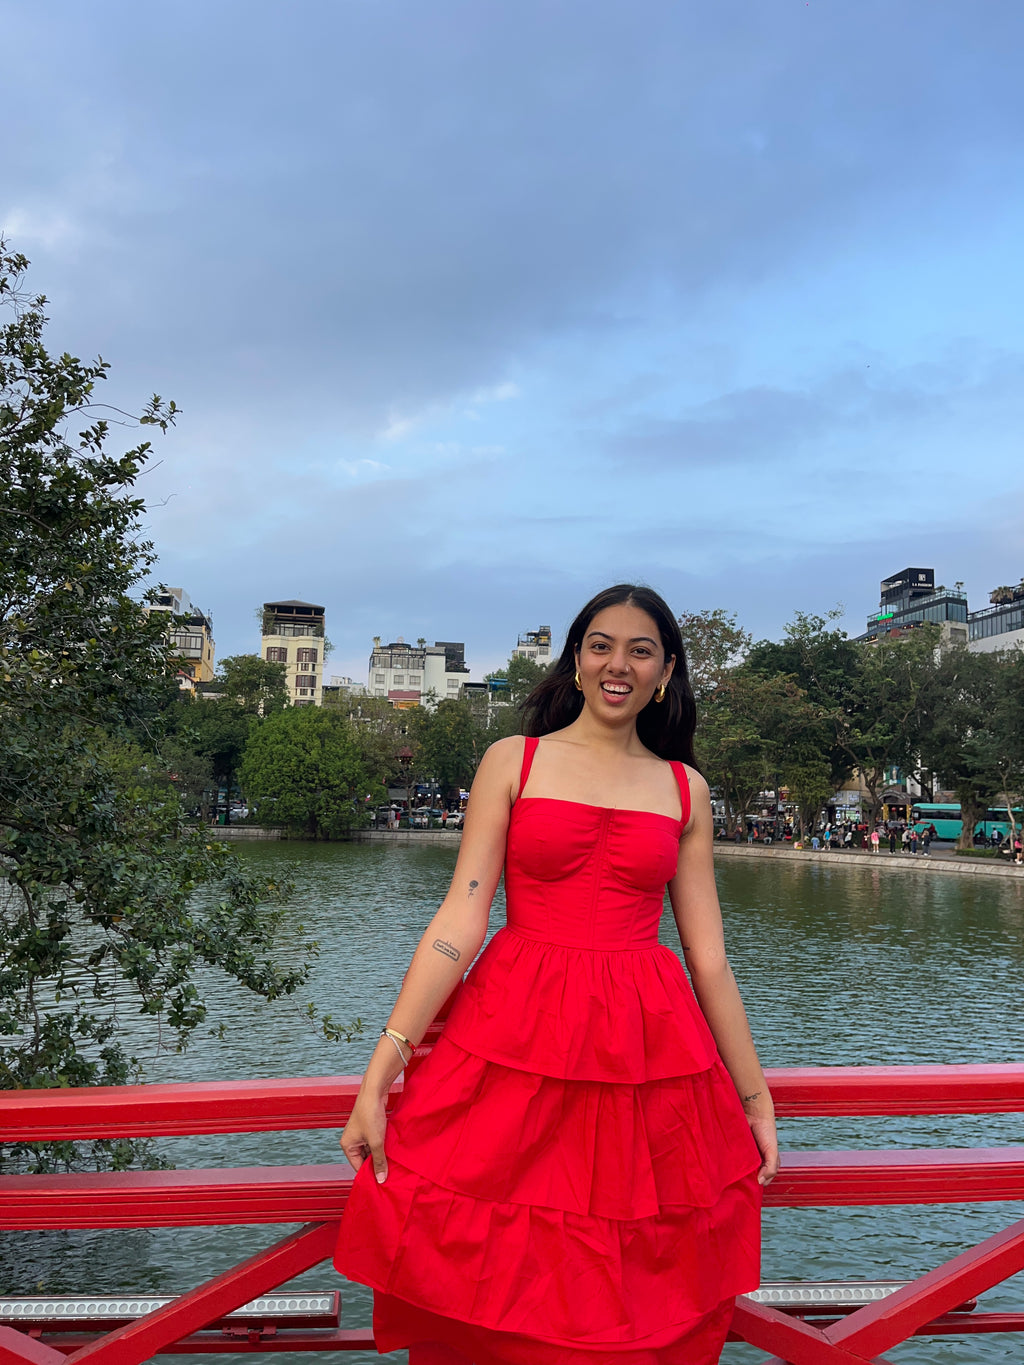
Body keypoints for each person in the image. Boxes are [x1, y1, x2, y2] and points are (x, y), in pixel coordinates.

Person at [335, 584, 778, 1365]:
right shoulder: (515, 760)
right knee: (489, 1247)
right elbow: (458, 923)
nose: (619, 663)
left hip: (643, 1049)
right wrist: (380, 1072)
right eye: (601, 644)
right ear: (577, 659)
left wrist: (755, 1097)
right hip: (513, 1030)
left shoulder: (685, 789)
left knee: (630, 1263)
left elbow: (708, 957)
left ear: (666, 670)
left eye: (641, 649)